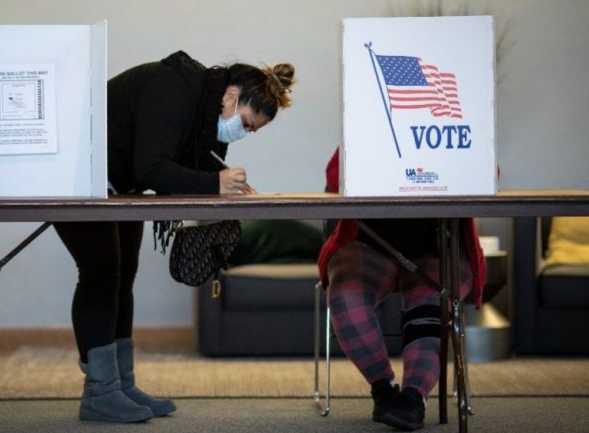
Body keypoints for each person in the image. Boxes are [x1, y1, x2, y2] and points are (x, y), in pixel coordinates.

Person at [53, 51, 296, 423]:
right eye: (246, 124)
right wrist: (215, 184)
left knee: (122, 277)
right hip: (77, 176)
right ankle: (100, 392)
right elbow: (151, 167)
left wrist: (221, 182)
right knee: (101, 273)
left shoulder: (199, 106)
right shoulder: (175, 87)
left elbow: (166, 164)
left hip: (117, 187)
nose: (243, 134)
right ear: (230, 96)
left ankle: (121, 384)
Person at [317, 148, 487, 431]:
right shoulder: (367, 124)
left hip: (440, 247)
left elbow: (483, 176)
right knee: (346, 294)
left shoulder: (454, 127)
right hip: (372, 245)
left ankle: (414, 398)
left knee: (430, 299)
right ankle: (383, 389)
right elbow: (335, 178)